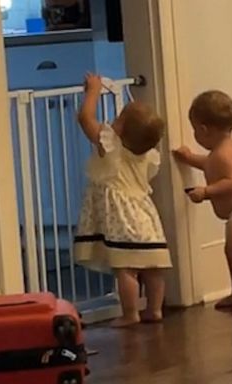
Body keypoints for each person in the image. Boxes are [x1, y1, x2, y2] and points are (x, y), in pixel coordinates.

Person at [74, 73, 172, 327]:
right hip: (145, 214)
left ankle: (130, 314)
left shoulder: (111, 147)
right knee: (152, 267)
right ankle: (155, 309)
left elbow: (85, 119)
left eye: (119, 119)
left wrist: (92, 91)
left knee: (125, 268)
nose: (113, 122)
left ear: (121, 130)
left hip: (122, 217)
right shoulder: (148, 155)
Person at [173, 90, 232, 314]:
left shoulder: (222, 154)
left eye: (195, 129)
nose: (195, 134)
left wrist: (206, 191)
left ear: (204, 129)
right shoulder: (223, 150)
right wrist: (189, 159)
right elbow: (209, 164)